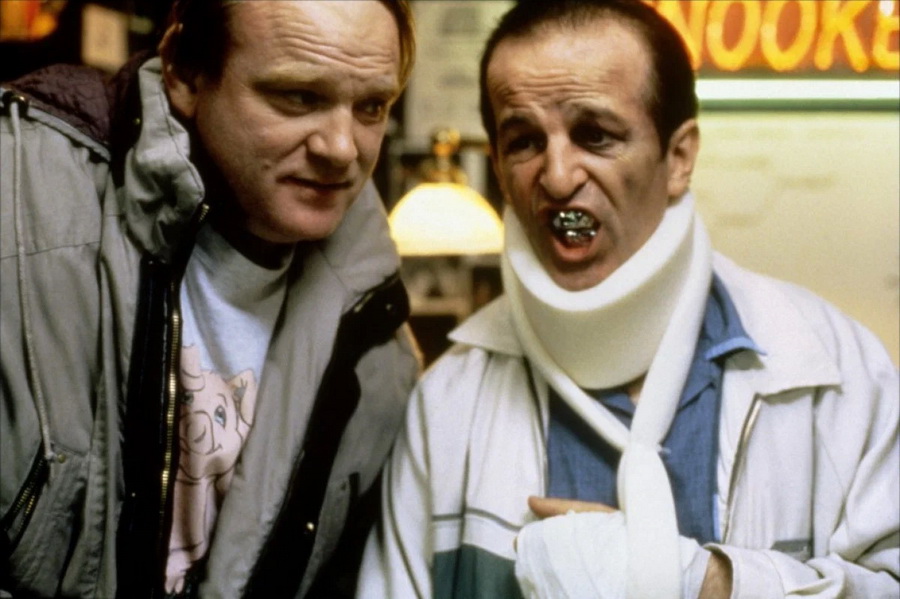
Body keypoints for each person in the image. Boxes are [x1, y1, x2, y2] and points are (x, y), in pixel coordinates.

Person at [357, 1, 900, 597]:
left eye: (595, 135)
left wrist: (701, 582)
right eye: (524, 141)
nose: (557, 176)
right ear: (499, 168)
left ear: (679, 158)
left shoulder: (838, 373)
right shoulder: (446, 404)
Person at [1, 1, 420, 597]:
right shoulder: (19, 201)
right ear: (184, 71)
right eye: (297, 96)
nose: (341, 148)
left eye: (371, 107)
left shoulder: (380, 351)